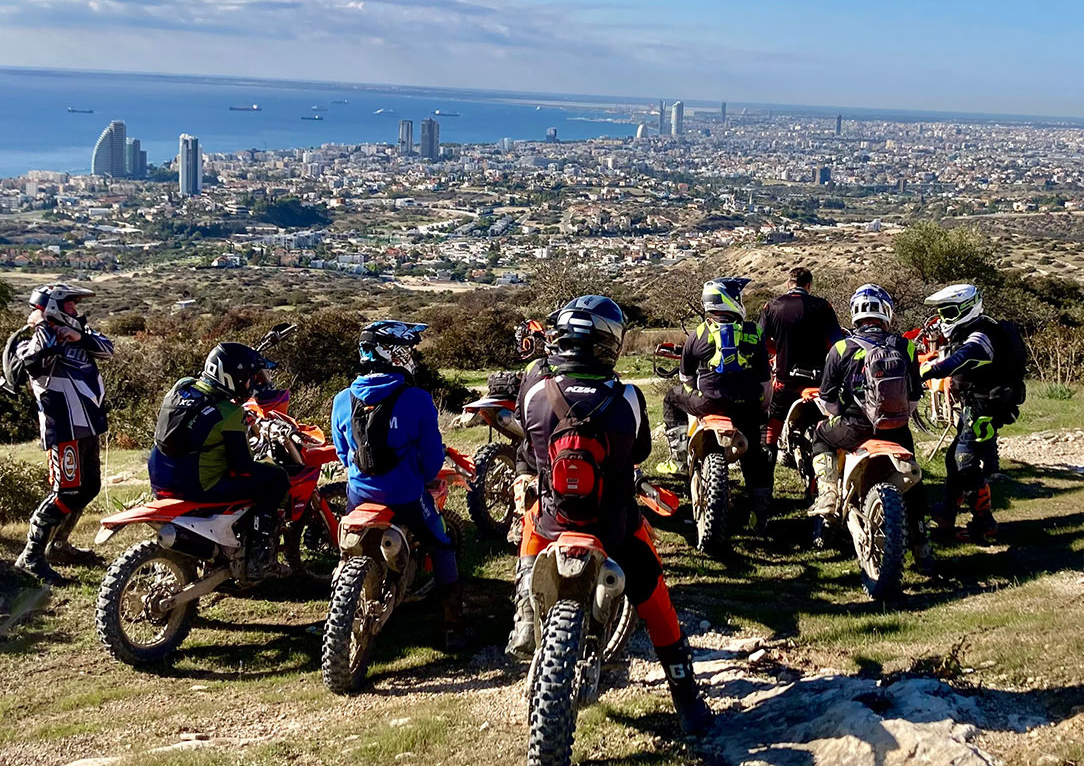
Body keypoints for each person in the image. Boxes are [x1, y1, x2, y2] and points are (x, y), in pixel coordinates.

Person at [510, 295, 713, 735]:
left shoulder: (535, 392)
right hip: (614, 528)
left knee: (531, 516)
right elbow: (638, 452)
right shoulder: (628, 398)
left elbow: (529, 446)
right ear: (608, 343)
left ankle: (524, 611)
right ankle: (688, 701)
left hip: (554, 525)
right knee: (657, 604)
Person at [329, 321, 464, 648]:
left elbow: (343, 453)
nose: (410, 356)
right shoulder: (417, 399)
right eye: (406, 350)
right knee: (441, 543)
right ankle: (452, 625)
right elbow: (431, 460)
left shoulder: (342, 400)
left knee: (347, 551)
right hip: (405, 494)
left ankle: (341, 604)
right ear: (392, 353)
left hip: (359, 494)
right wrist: (421, 475)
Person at [147, 342, 291, 581]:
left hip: (161, 480)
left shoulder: (182, 387)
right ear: (234, 379)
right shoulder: (229, 412)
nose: (251, 384)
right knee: (276, 478)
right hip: (198, 486)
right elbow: (242, 467)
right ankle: (261, 559)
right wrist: (264, 459)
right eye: (249, 378)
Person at [808, 285, 926, 553]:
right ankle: (922, 544)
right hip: (896, 429)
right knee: (914, 479)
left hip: (854, 427)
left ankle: (828, 493)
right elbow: (914, 398)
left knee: (820, 434)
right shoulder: (906, 346)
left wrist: (842, 413)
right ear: (886, 313)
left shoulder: (841, 348)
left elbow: (828, 401)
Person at [11, 284, 116, 585]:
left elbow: (108, 349)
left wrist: (78, 335)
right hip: (64, 430)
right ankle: (31, 557)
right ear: (54, 307)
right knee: (65, 492)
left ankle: (59, 546)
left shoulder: (79, 334)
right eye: (70, 305)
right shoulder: (30, 344)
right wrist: (43, 326)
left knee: (89, 487)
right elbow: (36, 361)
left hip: (89, 426)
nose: (75, 310)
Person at [661, 278, 772, 510]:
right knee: (754, 448)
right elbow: (765, 381)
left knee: (671, 398)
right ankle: (760, 497)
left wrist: (696, 391)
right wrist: (761, 406)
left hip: (708, 403)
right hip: (746, 405)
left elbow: (685, 377)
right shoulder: (753, 332)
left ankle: (679, 458)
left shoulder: (699, 333)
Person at [921, 283, 1021, 541]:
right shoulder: (974, 328)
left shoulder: (982, 334)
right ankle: (947, 512)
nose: (944, 319)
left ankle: (983, 522)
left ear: (967, 308)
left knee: (965, 461)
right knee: (953, 457)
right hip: (976, 404)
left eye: (949, 312)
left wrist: (931, 371)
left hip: (985, 406)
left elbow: (965, 356)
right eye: (941, 312)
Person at [758, 266, 843, 457]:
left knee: (771, 428)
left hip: (785, 380)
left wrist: (778, 350)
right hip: (818, 380)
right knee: (827, 424)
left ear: (789, 283)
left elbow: (760, 341)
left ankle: (765, 469)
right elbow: (837, 343)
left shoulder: (771, 306)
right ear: (809, 285)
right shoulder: (824, 306)